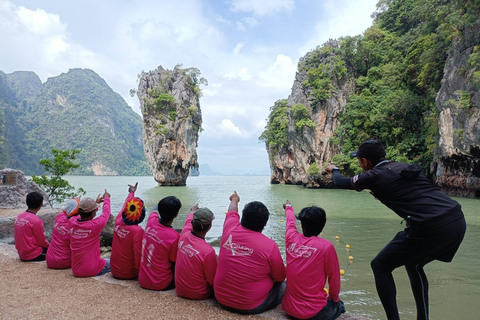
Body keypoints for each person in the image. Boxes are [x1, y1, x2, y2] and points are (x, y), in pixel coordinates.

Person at [326, 139, 466, 320]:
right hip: (456, 219)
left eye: (359, 160)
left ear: (365, 161)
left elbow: (339, 182)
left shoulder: (373, 175)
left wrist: (334, 170)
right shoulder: (404, 166)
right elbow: (417, 193)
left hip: (431, 225)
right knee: (414, 264)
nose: (359, 164)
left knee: (380, 266)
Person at [214, 191, 286, 314]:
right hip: (250, 305)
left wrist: (234, 199)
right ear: (264, 224)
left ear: (242, 218)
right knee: (284, 286)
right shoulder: (269, 246)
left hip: (220, 298)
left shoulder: (229, 230)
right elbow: (279, 277)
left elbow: (232, 212)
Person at [281, 200, 345, 320]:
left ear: (302, 225)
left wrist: (288, 207)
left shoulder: (291, 238)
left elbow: (290, 223)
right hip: (314, 313)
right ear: (322, 226)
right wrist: (334, 299)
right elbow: (334, 279)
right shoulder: (326, 247)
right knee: (339, 305)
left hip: (289, 309)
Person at [138, 196, 182, 291]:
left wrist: (160, 202)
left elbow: (154, 210)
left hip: (142, 280)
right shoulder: (174, 237)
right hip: (161, 283)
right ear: (176, 214)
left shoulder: (151, 221)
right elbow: (174, 263)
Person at [175, 204, 217, 300]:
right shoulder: (208, 251)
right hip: (199, 294)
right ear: (209, 226)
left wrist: (192, 212)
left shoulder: (184, 235)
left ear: (193, 223)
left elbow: (187, 222)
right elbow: (211, 280)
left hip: (180, 290)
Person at [70, 190, 111, 277]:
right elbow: (106, 212)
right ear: (93, 213)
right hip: (92, 269)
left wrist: (96, 204)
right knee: (115, 262)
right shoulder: (95, 225)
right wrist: (106, 198)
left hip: (76, 270)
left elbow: (78, 215)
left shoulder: (72, 222)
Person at [110, 183, 146, 279]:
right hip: (129, 273)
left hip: (114, 270)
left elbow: (126, 205)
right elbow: (138, 256)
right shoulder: (137, 231)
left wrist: (131, 193)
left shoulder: (118, 220)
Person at [14, 192, 50, 261]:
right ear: (41, 204)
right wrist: (51, 246)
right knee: (57, 252)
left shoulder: (19, 216)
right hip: (33, 254)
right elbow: (42, 241)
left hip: (22, 253)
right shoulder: (36, 221)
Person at [46, 197, 80, 269]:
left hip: (49, 260)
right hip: (65, 262)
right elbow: (87, 215)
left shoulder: (59, 217)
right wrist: (96, 204)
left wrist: (74, 200)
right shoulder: (75, 223)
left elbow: (67, 210)